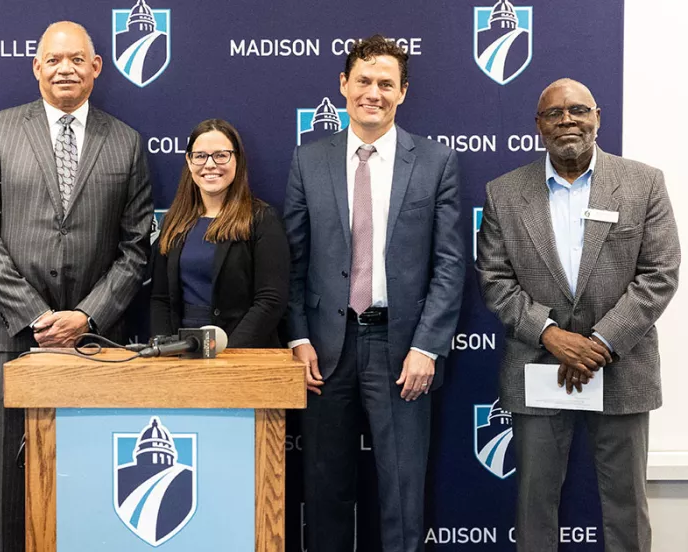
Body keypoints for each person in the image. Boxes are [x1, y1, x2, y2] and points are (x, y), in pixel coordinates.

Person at [0, 20, 152, 552]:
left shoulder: (126, 142)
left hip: (94, 343)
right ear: (36, 67)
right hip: (11, 338)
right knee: (7, 486)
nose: (64, 69)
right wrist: (35, 315)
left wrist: (87, 317)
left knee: (88, 482)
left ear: (96, 67)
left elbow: (136, 247)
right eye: (53, 59)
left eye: (76, 59)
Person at [476, 78, 680, 552]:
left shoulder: (644, 183)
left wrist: (600, 343)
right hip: (538, 366)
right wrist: (550, 334)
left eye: (578, 110)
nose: (567, 119)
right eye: (554, 113)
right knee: (535, 505)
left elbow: (660, 274)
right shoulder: (504, 193)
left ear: (597, 118)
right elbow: (494, 279)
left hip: (622, 367)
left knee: (627, 507)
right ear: (538, 125)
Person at [284, 35, 464, 552]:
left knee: (403, 495)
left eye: (386, 84)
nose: (373, 93)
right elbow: (292, 261)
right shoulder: (308, 161)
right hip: (326, 350)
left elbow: (450, 265)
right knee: (324, 491)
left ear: (402, 92)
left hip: (402, 349)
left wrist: (427, 347)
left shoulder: (435, 163)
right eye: (363, 81)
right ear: (343, 85)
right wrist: (298, 337)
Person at [150, 118, 288, 345]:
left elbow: (270, 300)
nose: (210, 164)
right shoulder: (173, 222)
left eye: (221, 155)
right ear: (189, 161)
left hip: (242, 351)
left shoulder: (262, 219)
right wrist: (164, 348)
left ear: (237, 160)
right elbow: (160, 298)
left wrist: (228, 353)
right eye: (200, 156)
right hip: (181, 350)